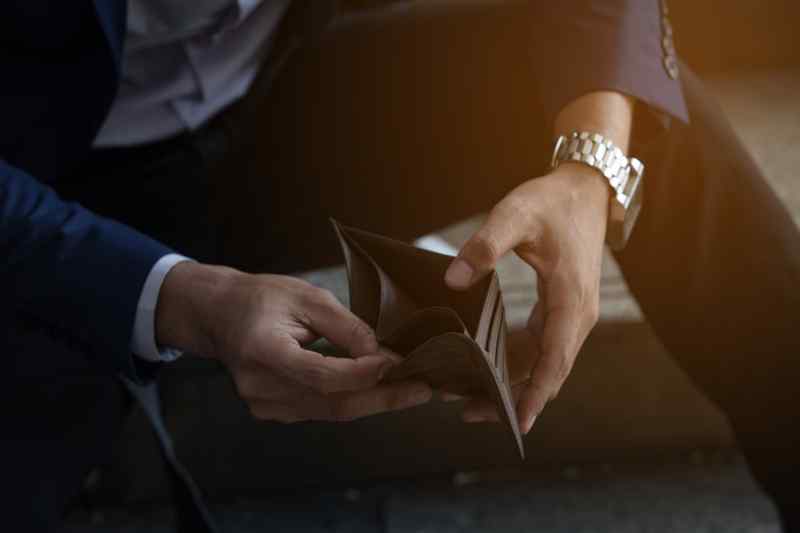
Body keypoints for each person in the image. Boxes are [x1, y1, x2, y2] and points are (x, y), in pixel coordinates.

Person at [2, 1, 798, 531]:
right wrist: (172, 293)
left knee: (637, 124)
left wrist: (590, 172)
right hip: (43, 173)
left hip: (274, 99)